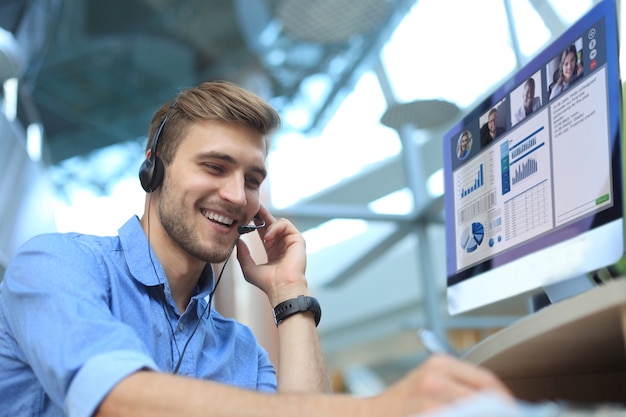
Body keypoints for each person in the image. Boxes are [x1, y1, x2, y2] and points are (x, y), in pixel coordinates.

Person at [0, 80, 511, 417]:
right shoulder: (56, 266)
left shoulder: (237, 349)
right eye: (215, 167)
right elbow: (118, 399)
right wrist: (378, 408)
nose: (238, 196)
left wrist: (291, 294)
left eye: (253, 178)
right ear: (152, 168)